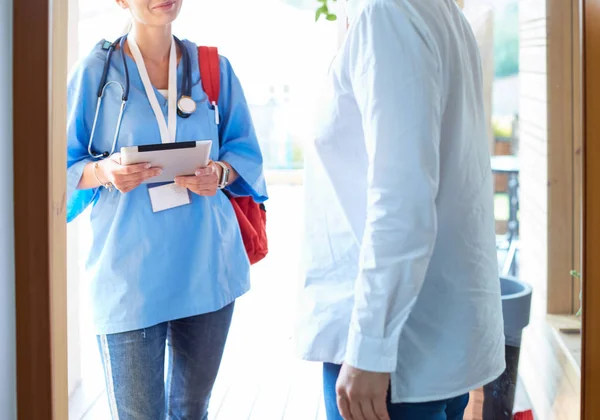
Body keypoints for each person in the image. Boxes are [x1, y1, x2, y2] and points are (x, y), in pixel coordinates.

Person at [296, 0, 505, 419]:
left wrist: (371, 347)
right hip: (430, 340)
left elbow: (400, 198)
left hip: (393, 355)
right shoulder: (440, 13)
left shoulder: (386, 13)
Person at [66, 0, 267, 418]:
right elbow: (57, 168)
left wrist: (220, 173)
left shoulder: (213, 69)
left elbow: (244, 153)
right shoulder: (96, 74)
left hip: (206, 267)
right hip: (129, 275)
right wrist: (104, 172)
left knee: (192, 410)